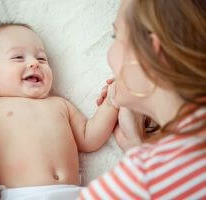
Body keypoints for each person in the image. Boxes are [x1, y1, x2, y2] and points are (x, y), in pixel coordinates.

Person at [0, 22, 121, 200]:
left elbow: (90, 138)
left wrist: (111, 102)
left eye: (41, 58)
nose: (34, 63)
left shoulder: (60, 104)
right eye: (18, 57)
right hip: (26, 195)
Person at [79, 0, 206, 199]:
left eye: (115, 36)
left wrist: (140, 160)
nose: (108, 53)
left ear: (151, 51)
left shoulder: (135, 184)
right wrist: (137, 147)